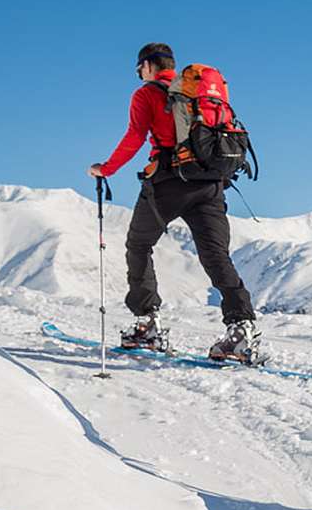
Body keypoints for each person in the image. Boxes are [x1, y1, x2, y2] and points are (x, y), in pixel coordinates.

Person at [86, 43, 262, 364]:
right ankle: (240, 329)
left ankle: (147, 324)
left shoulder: (147, 94)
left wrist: (105, 169)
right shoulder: (198, 94)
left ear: (149, 65)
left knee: (138, 245)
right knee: (215, 255)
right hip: (211, 183)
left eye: (139, 68)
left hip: (168, 182)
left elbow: (134, 137)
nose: (139, 75)